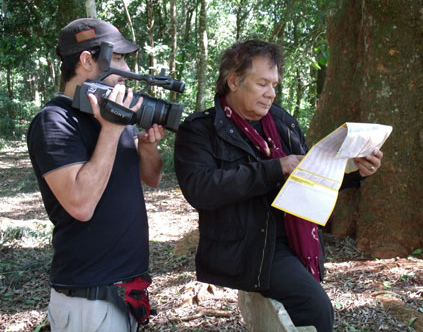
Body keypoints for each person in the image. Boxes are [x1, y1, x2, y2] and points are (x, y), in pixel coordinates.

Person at [173, 39, 383, 332]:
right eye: (262, 84)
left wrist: (355, 172)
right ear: (233, 81)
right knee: (315, 309)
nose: (271, 94)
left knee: (307, 313)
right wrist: (275, 168)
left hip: (294, 237)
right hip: (249, 246)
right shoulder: (200, 129)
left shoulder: (282, 122)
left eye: (274, 85)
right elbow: (200, 189)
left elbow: (309, 175)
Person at [27, 18, 165, 332]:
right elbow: (81, 204)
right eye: (118, 58)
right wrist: (112, 130)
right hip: (87, 297)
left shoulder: (114, 116)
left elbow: (152, 178)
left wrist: (146, 147)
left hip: (124, 288)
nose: (125, 67)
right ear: (88, 60)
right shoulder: (54, 121)